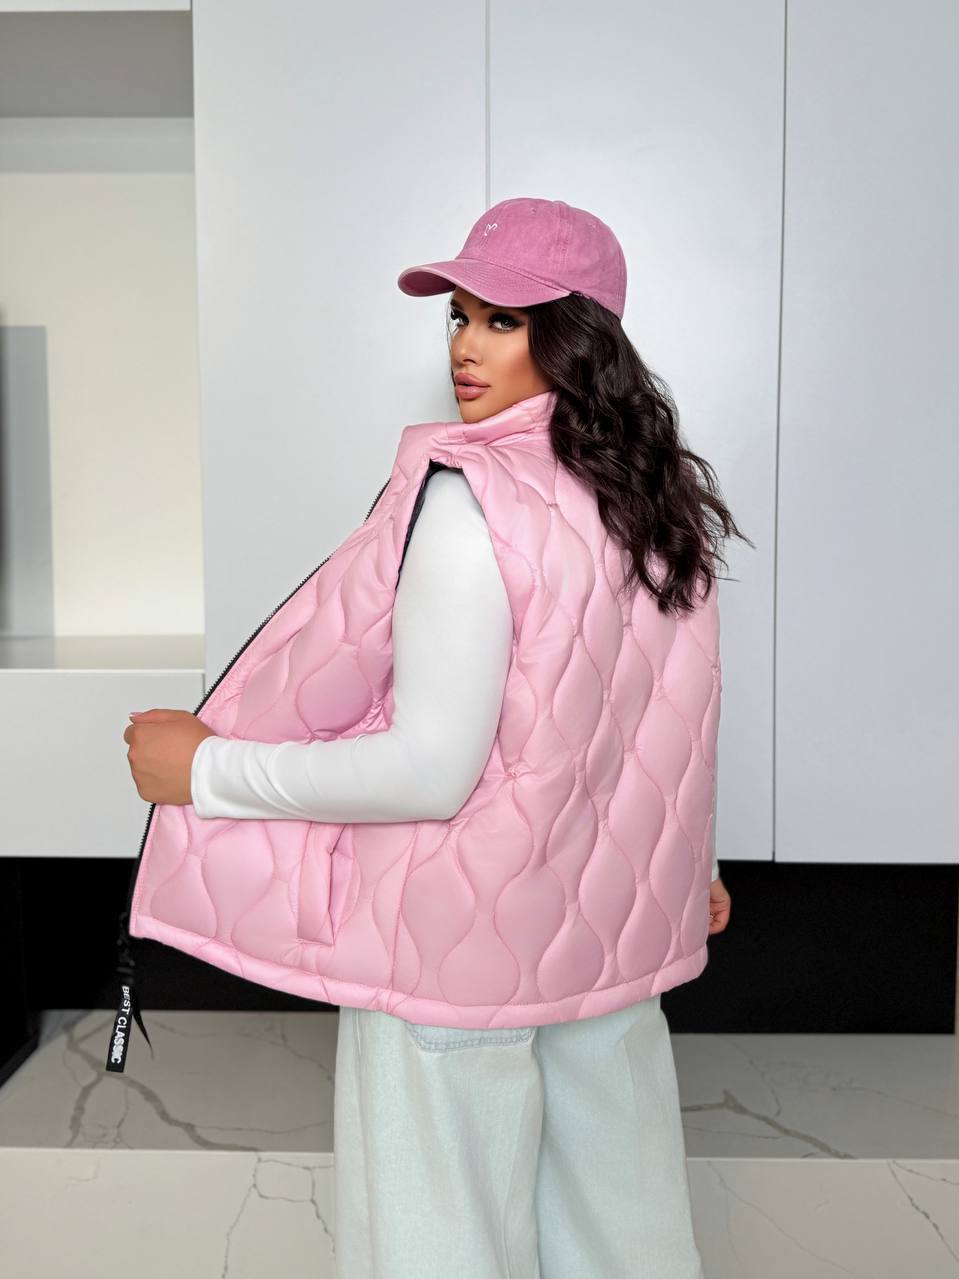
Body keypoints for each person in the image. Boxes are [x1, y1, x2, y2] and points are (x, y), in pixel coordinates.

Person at [124, 197, 747, 1277]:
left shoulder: (473, 503)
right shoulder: (655, 502)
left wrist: (204, 769)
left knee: (439, 1248)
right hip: (606, 938)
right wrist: (688, 867)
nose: (464, 346)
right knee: (623, 1236)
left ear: (576, 334)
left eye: (502, 320)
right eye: (458, 316)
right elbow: (655, 718)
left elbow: (428, 771)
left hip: (452, 951)